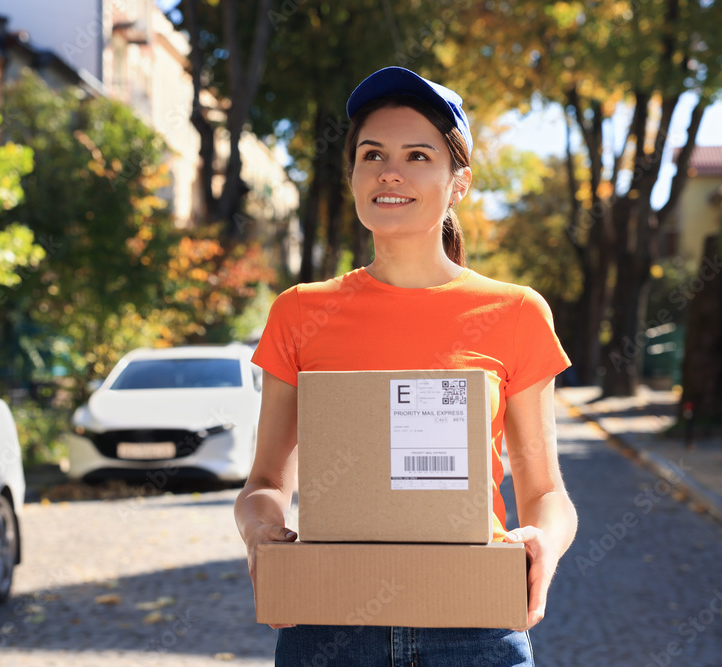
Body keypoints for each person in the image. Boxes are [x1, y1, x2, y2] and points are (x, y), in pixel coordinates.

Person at [233, 66, 578, 666]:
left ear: (459, 182)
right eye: (373, 154)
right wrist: (260, 532)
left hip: (474, 625)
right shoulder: (299, 312)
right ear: (354, 175)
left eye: (418, 155)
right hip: (328, 624)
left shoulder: (516, 312)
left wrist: (543, 543)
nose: (390, 171)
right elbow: (264, 483)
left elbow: (546, 490)